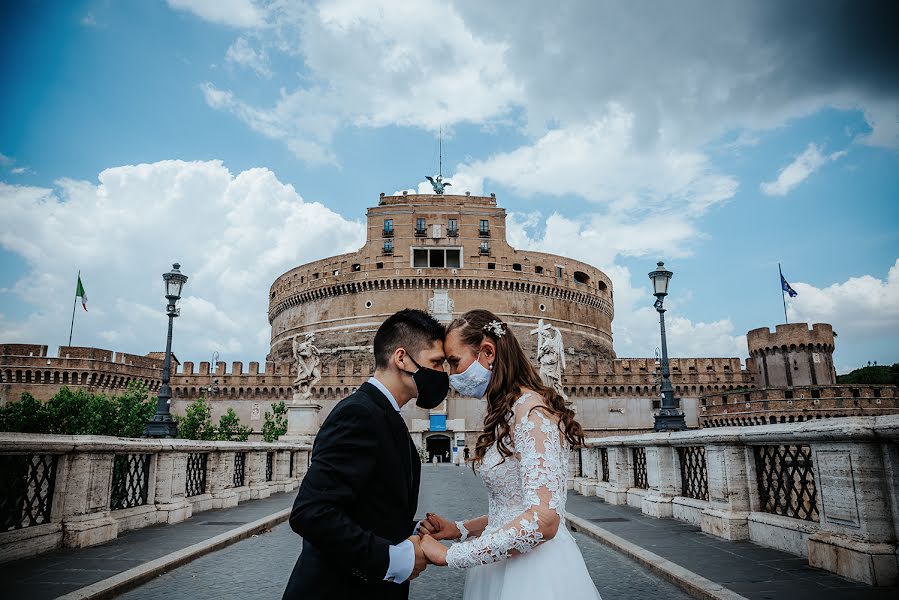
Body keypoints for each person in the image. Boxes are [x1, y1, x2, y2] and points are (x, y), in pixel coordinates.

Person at [417, 309, 601, 599]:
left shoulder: (533, 414)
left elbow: (545, 520)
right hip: (504, 563)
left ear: (487, 352)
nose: (452, 375)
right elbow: (511, 509)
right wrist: (459, 530)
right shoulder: (509, 412)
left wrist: (453, 556)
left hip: (534, 573)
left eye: (455, 362)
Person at [283, 309, 449, 600]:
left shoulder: (385, 415)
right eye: (435, 362)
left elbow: (368, 508)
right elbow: (311, 513)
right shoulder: (359, 414)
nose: (441, 374)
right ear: (401, 358)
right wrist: (392, 559)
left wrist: (414, 529)